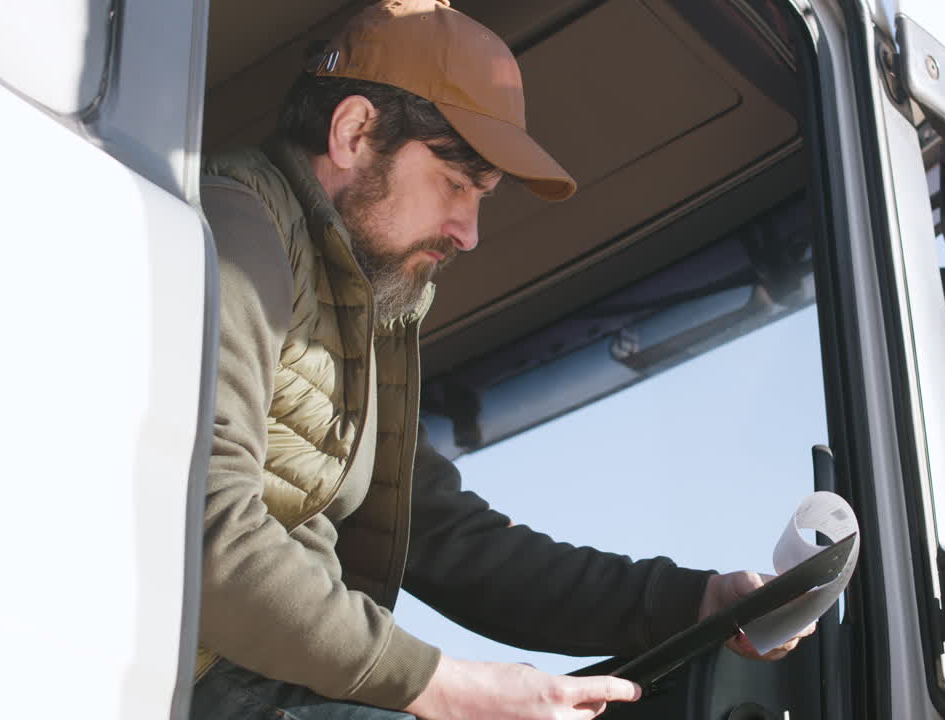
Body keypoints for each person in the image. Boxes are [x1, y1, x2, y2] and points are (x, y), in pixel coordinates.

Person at [191, 2, 814, 718]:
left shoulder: (367, 313)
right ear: (354, 132)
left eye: (482, 198)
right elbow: (202, 529)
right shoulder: (236, 230)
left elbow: (455, 544)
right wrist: (446, 687)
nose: (470, 232)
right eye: (457, 184)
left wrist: (695, 602)